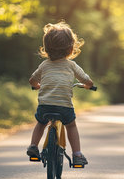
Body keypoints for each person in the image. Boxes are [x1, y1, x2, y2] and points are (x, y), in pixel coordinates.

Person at [27, 21, 93, 166]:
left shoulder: (44, 65)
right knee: (71, 126)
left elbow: (32, 80)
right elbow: (86, 79)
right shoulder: (71, 65)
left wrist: (37, 86)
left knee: (40, 123)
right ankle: (77, 155)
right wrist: (89, 85)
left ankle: (33, 146)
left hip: (45, 106)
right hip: (64, 107)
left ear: (47, 48)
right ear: (70, 48)